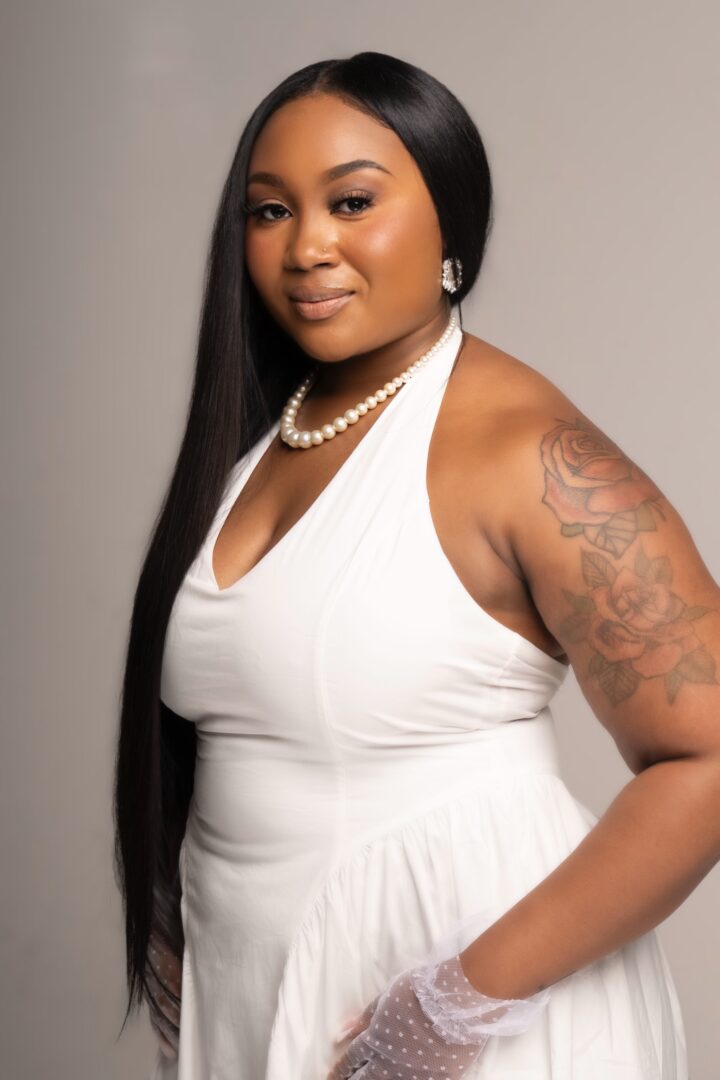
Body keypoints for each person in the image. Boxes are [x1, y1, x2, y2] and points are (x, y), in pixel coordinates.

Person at [113, 51, 720, 1080]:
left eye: (352, 202)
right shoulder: (264, 437)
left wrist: (459, 1004)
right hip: (263, 994)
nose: (308, 246)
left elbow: (709, 757)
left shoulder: (527, 452)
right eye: (270, 211)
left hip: (470, 1002)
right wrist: (183, 936)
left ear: (452, 228)